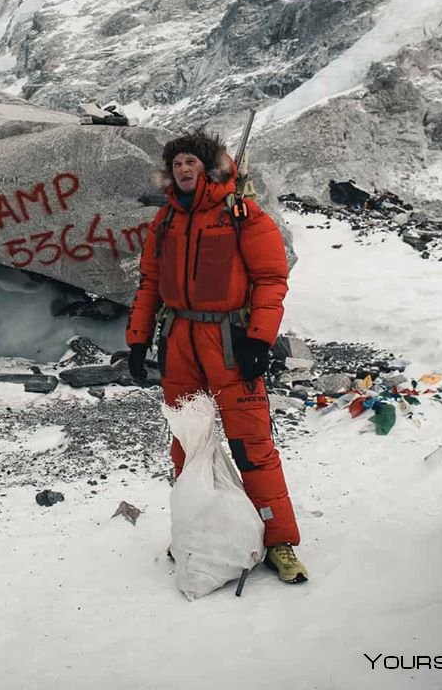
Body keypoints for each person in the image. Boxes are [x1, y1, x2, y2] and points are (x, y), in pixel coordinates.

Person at [126, 131, 308, 584]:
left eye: (191, 162)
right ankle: (199, 529)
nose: (183, 170)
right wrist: (137, 340)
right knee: (189, 445)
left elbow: (270, 278)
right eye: (176, 164)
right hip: (180, 338)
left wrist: (260, 340)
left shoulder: (241, 214)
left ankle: (278, 539)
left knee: (252, 443)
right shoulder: (166, 220)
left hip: (229, 338)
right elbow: (149, 282)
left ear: (208, 168)